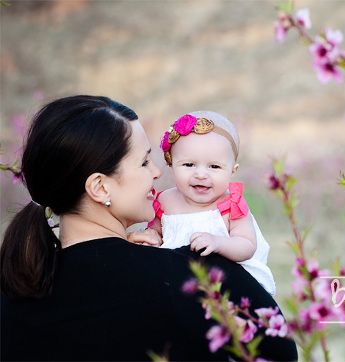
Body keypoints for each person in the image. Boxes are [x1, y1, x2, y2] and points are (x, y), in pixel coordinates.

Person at [0, 95, 297, 361]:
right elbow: (279, 352)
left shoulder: (14, 291)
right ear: (100, 187)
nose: (156, 173)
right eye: (144, 163)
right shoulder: (198, 277)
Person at [142, 111, 276, 296]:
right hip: (177, 285)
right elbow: (156, 234)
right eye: (189, 165)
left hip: (229, 286)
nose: (201, 174)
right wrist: (151, 240)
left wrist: (219, 243)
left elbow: (247, 246)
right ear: (172, 165)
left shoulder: (231, 204)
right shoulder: (164, 201)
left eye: (214, 167)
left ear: (232, 171)